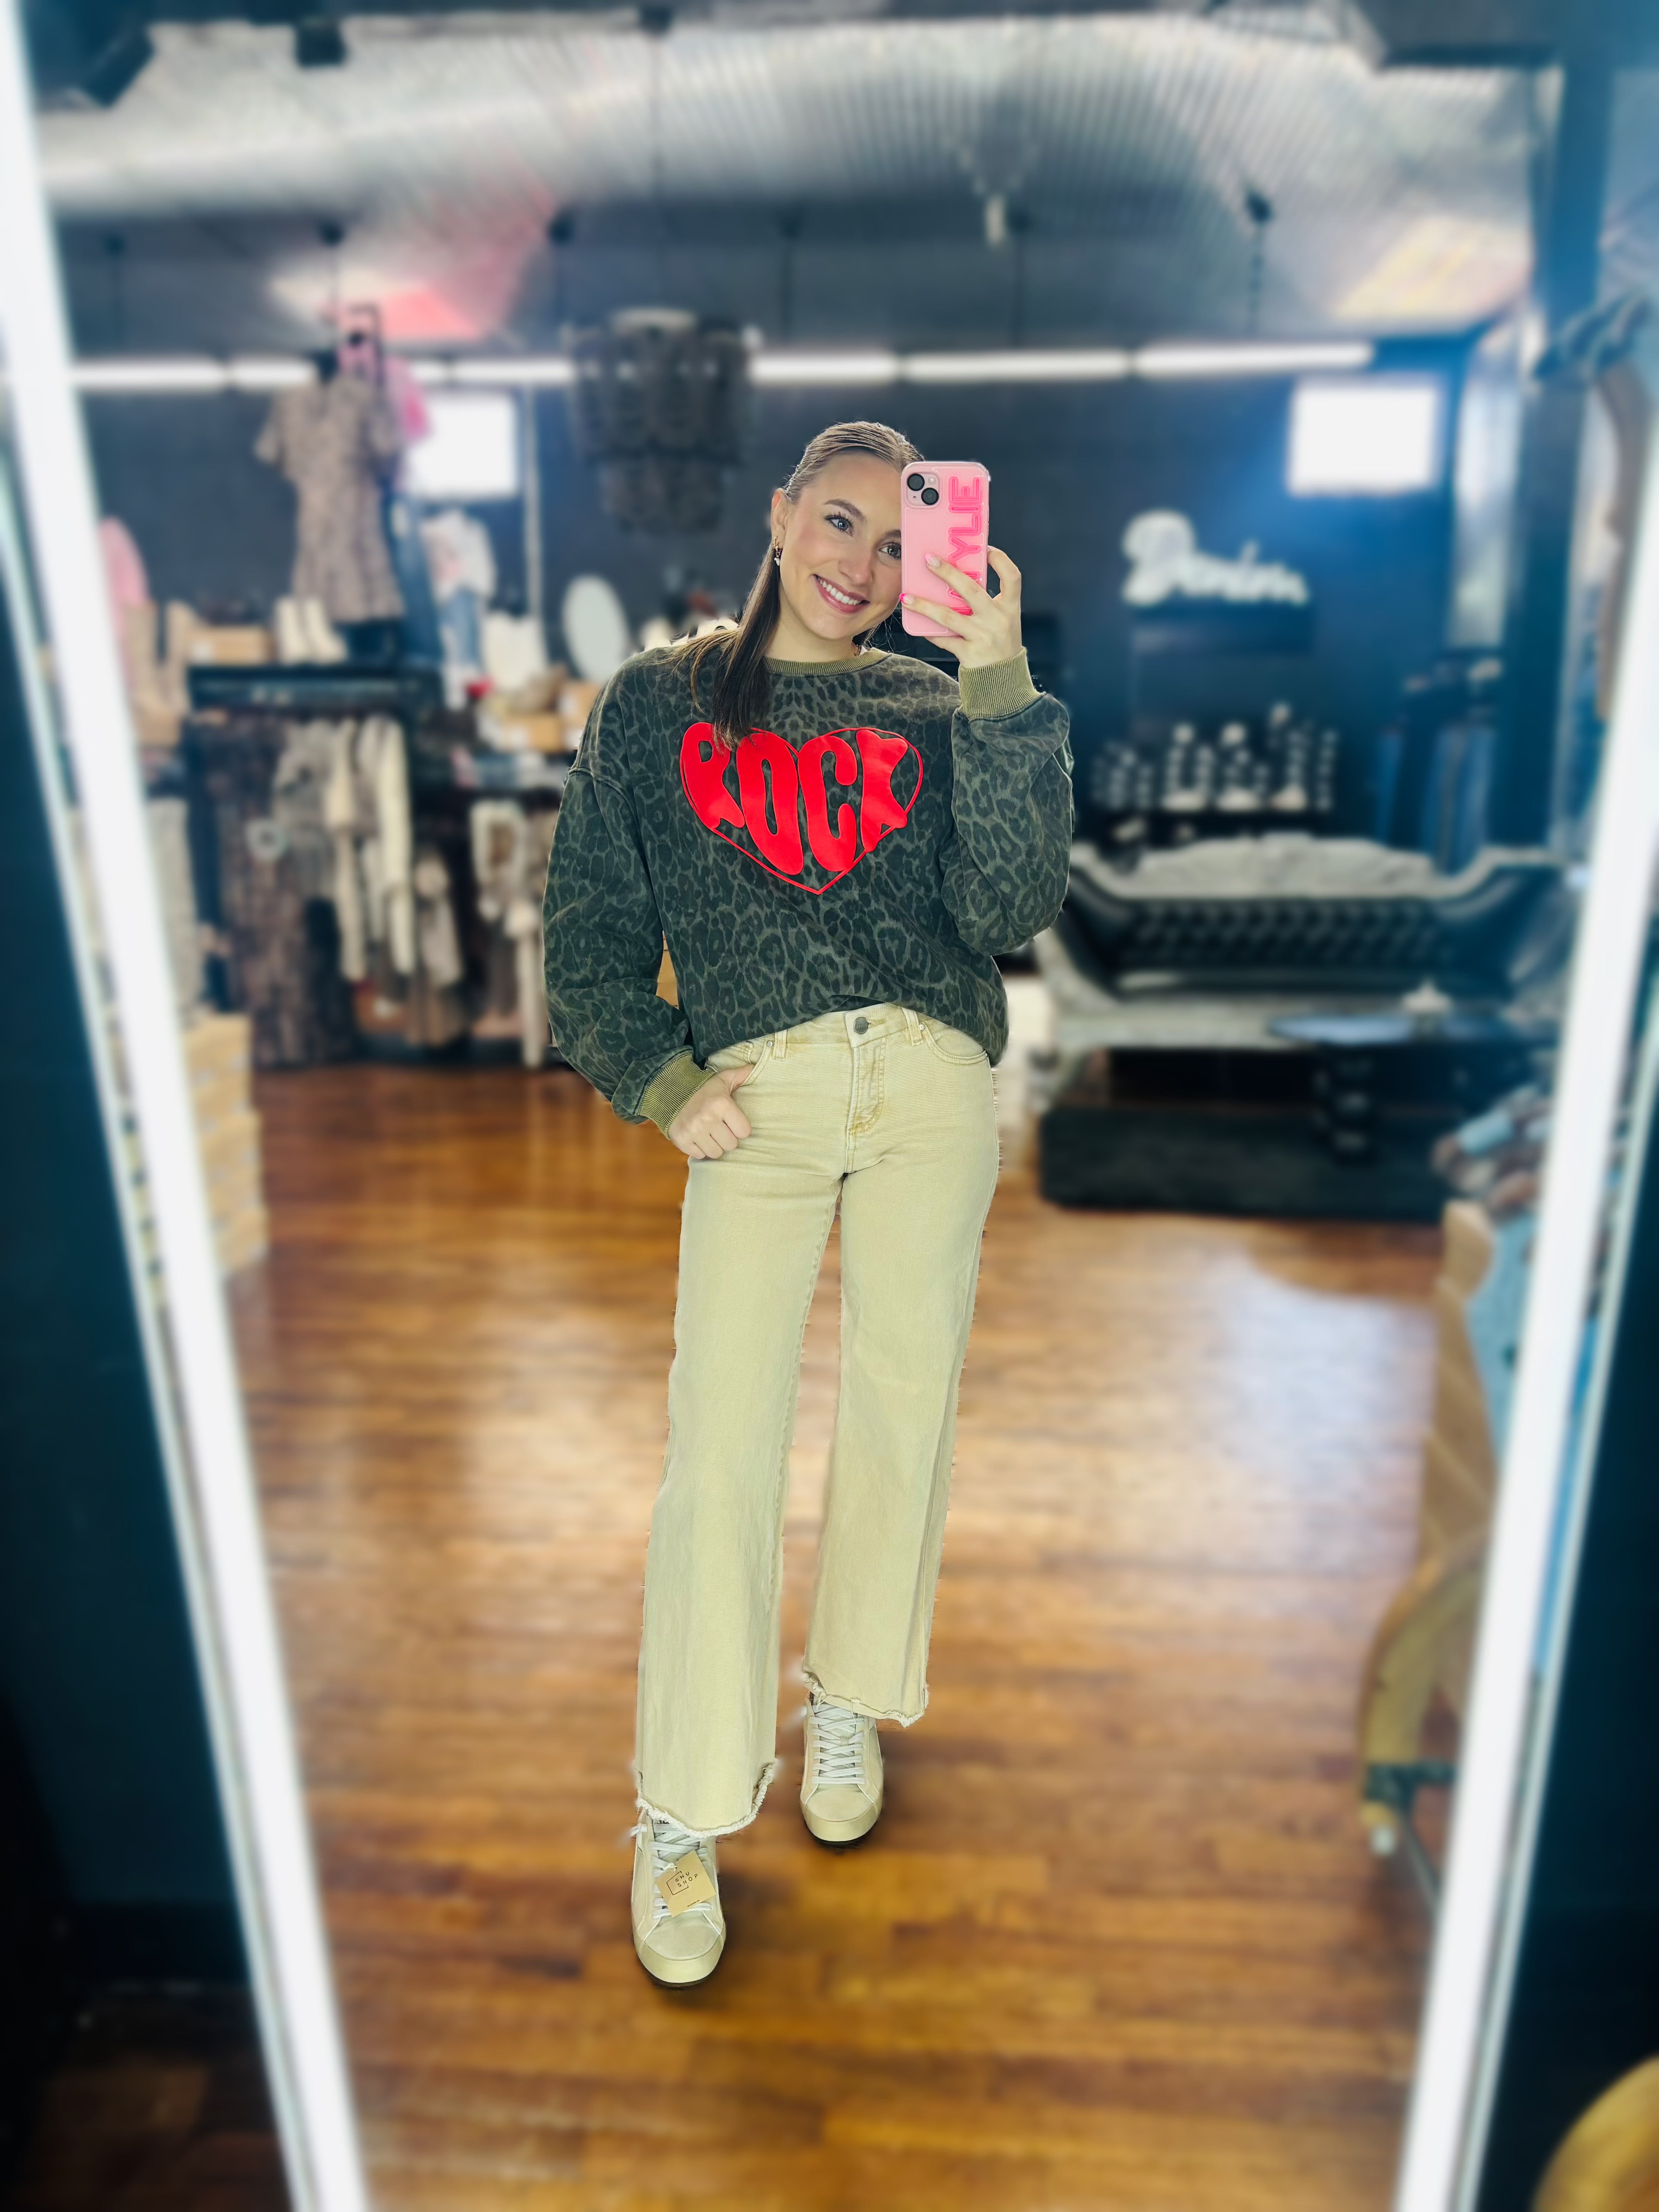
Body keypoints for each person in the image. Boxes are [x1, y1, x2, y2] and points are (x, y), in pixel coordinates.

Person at [542, 420, 1073, 1985]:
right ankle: (684, 1808)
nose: (864, 563)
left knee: (903, 1413)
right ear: (780, 515)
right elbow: (589, 927)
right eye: (840, 521)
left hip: (927, 1085)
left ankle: (846, 1699)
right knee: (720, 1449)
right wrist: (656, 1077)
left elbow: (1010, 905)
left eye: (901, 542)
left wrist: (998, 678)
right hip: (756, 1100)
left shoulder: (937, 706)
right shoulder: (658, 702)